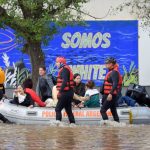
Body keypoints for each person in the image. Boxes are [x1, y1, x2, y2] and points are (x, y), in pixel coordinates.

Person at [100, 57, 122, 122]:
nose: (106, 64)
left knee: (102, 110)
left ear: (112, 64)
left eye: (107, 63)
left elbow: (115, 84)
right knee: (113, 110)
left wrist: (110, 94)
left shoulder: (114, 72)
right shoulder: (111, 71)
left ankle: (107, 126)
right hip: (109, 94)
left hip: (111, 95)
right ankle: (117, 124)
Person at [55, 56, 75, 124]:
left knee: (57, 109)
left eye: (57, 62)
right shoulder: (66, 69)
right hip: (69, 92)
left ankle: (58, 125)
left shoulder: (64, 70)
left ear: (61, 63)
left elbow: (65, 81)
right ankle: (72, 124)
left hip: (65, 93)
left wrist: (60, 92)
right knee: (68, 110)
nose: (56, 64)